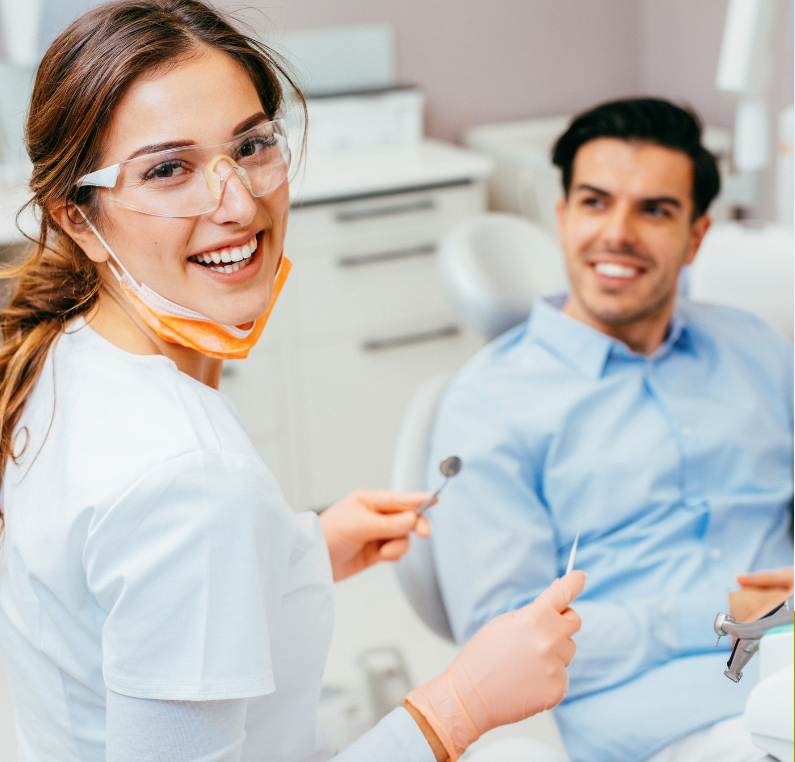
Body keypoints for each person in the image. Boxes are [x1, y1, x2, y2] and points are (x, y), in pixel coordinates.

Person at [0, 3, 587, 761]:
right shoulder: (190, 477)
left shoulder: (65, 350)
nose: (238, 202)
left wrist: (299, 550)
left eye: (250, 145)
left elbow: (115, 592)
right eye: (167, 169)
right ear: (78, 218)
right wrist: (457, 708)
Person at [425, 98, 794, 762]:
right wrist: (718, 612)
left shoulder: (756, 348)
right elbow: (502, 644)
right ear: (562, 216)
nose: (617, 233)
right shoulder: (487, 405)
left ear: (697, 236)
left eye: (654, 210)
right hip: (677, 721)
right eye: (595, 203)